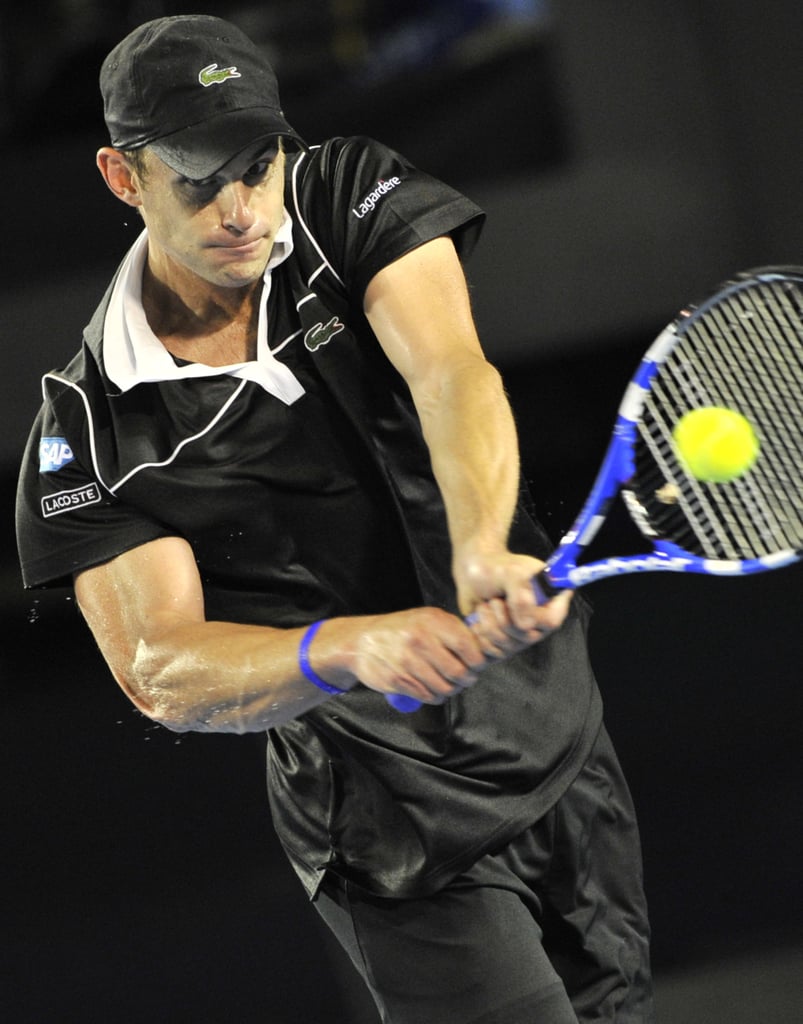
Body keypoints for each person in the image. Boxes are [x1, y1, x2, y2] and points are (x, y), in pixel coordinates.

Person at [15, 14, 654, 1023]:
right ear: (121, 176)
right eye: (197, 178)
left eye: (257, 164)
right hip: (389, 826)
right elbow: (161, 671)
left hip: (556, 731)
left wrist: (479, 543)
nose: (239, 208)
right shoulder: (90, 433)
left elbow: (448, 369)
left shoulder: (344, 193)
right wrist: (346, 647)